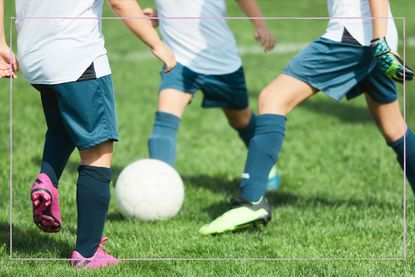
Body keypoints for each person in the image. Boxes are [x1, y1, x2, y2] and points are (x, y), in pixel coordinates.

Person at [199, 0, 414, 235]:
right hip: (372, 37)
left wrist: (378, 41)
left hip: (355, 38)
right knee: (393, 127)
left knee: (272, 99)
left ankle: (251, 201)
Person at [0, 0, 175, 268]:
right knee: (97, 151)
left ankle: (47, 179)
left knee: (63, 126)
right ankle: (88, 253)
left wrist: (0, 40)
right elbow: (119, 2)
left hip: (34, 56)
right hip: (77, 58)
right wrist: (157, 43)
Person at [143, 0, 280, 190]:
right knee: (165, 120)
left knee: (241, 120)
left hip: (221, 61)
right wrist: (162, 14)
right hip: (179, 61)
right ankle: (158, 186)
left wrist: (261, 26)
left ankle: (265, 165)